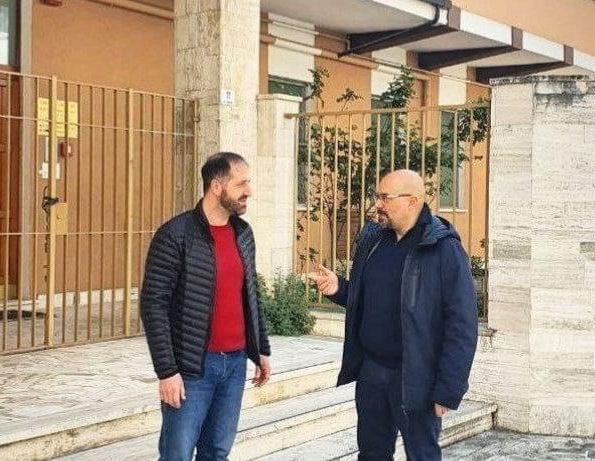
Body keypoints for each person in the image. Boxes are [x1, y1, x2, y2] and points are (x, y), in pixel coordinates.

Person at [310, 169, 478, 460]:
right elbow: (367, 300)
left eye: (385, 197)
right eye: (377, 196)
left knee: (422, 455)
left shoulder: (443, 248)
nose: (378, 204)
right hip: (372, 373)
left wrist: (448, 388)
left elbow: (462, 324)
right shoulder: (374, 240)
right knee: (372, 454)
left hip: (415, 377)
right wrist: (339, 289)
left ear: (412, 201)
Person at [140, 152, 271, 461]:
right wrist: (167, 371)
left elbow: (250, 295)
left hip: (234, 364)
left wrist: (261, 349)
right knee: (177, 455)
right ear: (216, 186)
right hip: (192, 369)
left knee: (216, 452)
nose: (249, 191)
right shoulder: (175, 235)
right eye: (241, 184)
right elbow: (153, 304)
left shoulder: (243, 234)